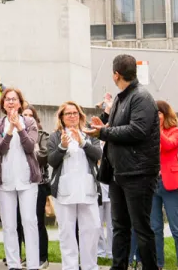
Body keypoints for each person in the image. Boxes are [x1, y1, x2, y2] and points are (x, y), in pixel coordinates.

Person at [82, 54, 159, 270]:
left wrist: (104, 132)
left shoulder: (141, 96)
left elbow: (138, 130)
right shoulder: (119, 98)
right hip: (119, 172)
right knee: (120, 227)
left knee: (141, 228)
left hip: (138, 173)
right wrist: (103, 124)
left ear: (116, 74)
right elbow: (116, 128)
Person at [47, 101, 101, 270]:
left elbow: (98, 154)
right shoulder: (55, 136)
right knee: (67, 233)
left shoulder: (89, 134)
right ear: (62, 117)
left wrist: (83, 143)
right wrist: (62, 146)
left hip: (87, 189)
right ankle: (69, 267)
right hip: (65, 191)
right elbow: (52, 160)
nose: (72, 116)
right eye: (68, 113)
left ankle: (89, 266)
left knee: (92, 230)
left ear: (80, 115)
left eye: (75, 113)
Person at [0, 88, 41, 270]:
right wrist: (10, 129)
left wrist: (19, 128)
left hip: (27, 180)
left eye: (14, 99)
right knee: (9, 225)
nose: (11, 102)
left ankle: (33, 265)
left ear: (20, 103)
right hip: (5, 180)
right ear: (3, 104)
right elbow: (1, 149)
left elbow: (30, 147)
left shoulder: (29, 122)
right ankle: (13, 264)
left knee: (29, 222)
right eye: (7, 99)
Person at [151, 100, 178, 270]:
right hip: (152, 184)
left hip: (171, 184)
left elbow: (168, 145)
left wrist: (158, 129)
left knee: (176, 228)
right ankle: (158, 264)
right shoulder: (148, 133)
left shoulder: (176, 131)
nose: (155, 116)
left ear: (165, 114)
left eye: (158, 113)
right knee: (155, 228)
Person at [17, 104, 49, 267]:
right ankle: (29, 256)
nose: (27, 117)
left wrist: (30, 150)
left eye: (30, 115)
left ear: (36, 119)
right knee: (23, 221)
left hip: (39, 183)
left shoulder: (43, 135)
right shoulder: (16, 133)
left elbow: (44, 156)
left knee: (37, 221)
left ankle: (42, 257)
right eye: (24, 115)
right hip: (20, 182)